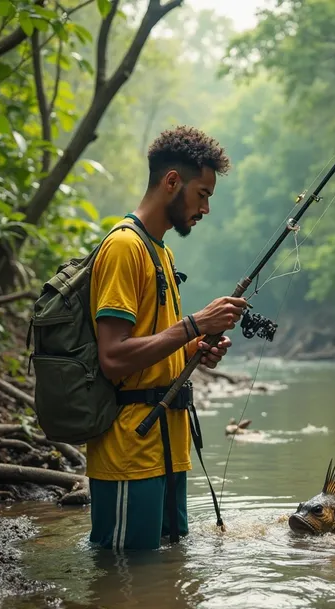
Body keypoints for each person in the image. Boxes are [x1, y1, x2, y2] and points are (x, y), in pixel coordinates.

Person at [86, 125, 247, 551]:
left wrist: (196, 347)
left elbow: (155, 343)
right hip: (129, 453)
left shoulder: (161, 251)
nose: (206, 208)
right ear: (172, 182)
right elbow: (114, 358)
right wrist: (195, 325)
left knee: (165, 587)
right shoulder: (125, 248)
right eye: (203, 193)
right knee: (120, 586)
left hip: (168, 450)